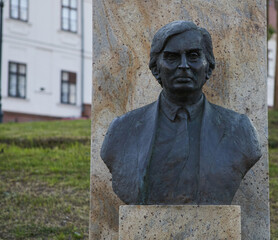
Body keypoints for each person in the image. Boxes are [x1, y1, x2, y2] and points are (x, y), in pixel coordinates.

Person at [100, 20, 262, 205]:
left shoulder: (239, 130)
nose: (184, 65)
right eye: (172, 57)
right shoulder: (122, 130)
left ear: (208, 68)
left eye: (193, 56)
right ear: (156, 69)